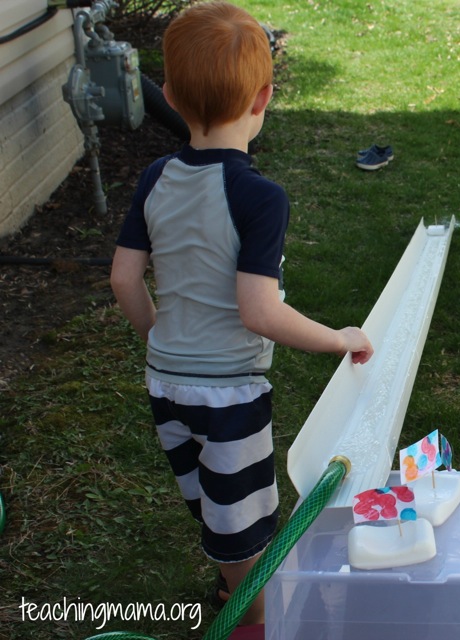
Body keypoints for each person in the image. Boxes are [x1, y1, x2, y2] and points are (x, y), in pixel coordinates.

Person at [110, 1, 373, 625]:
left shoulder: (155, 177)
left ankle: (232, 589)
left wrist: (161, 337)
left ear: (169, 96)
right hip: (228, 397)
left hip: (164, 384)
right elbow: (260, 311)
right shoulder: (259, 197)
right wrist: (339, 338)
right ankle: (249, 617)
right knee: (247, 535)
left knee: (212, 505)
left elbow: (124, 277)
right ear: (264, 97)